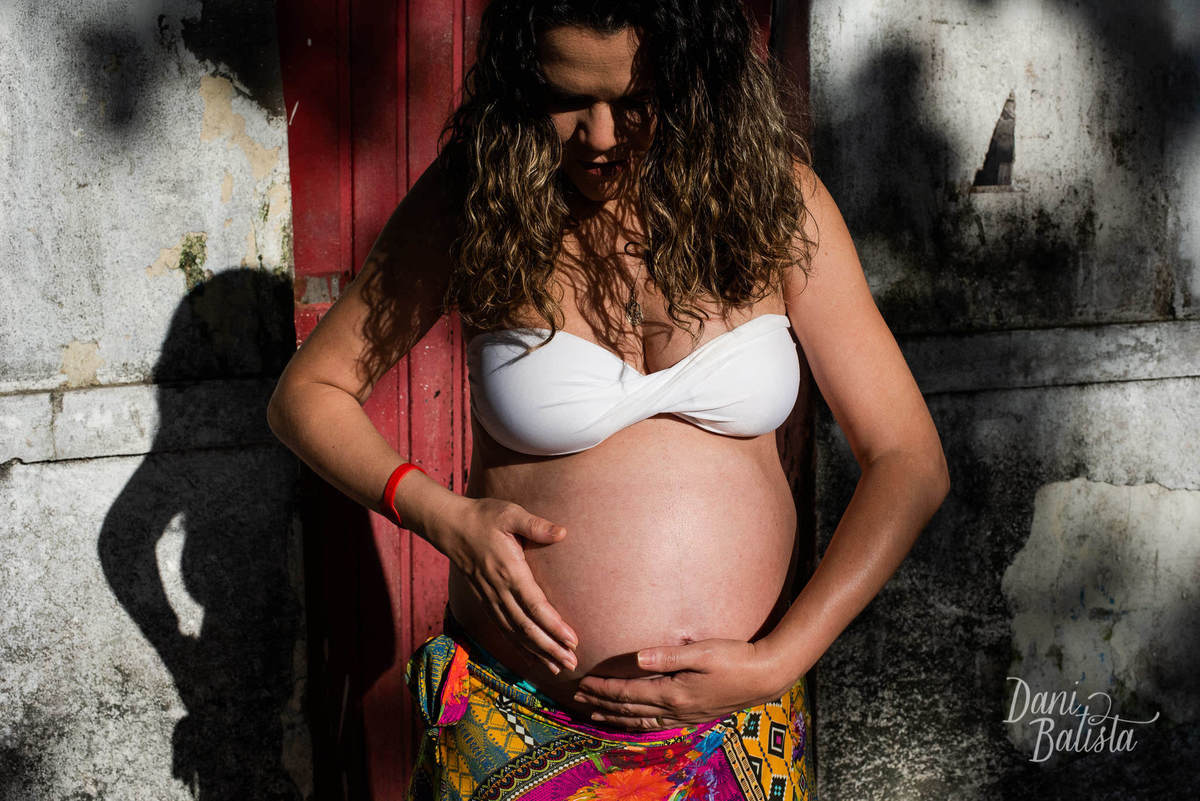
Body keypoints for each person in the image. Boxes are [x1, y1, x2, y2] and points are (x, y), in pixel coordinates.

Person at [267, 0, 950, 798]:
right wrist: (441, 515)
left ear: (697, 80)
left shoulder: (774, 202)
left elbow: (909, 460)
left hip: (734, 741)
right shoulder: (477, 196)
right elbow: (307, 393)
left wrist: (781, 658)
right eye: (565, 99)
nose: (598, 136)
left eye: (635, 100)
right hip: (514, 732)